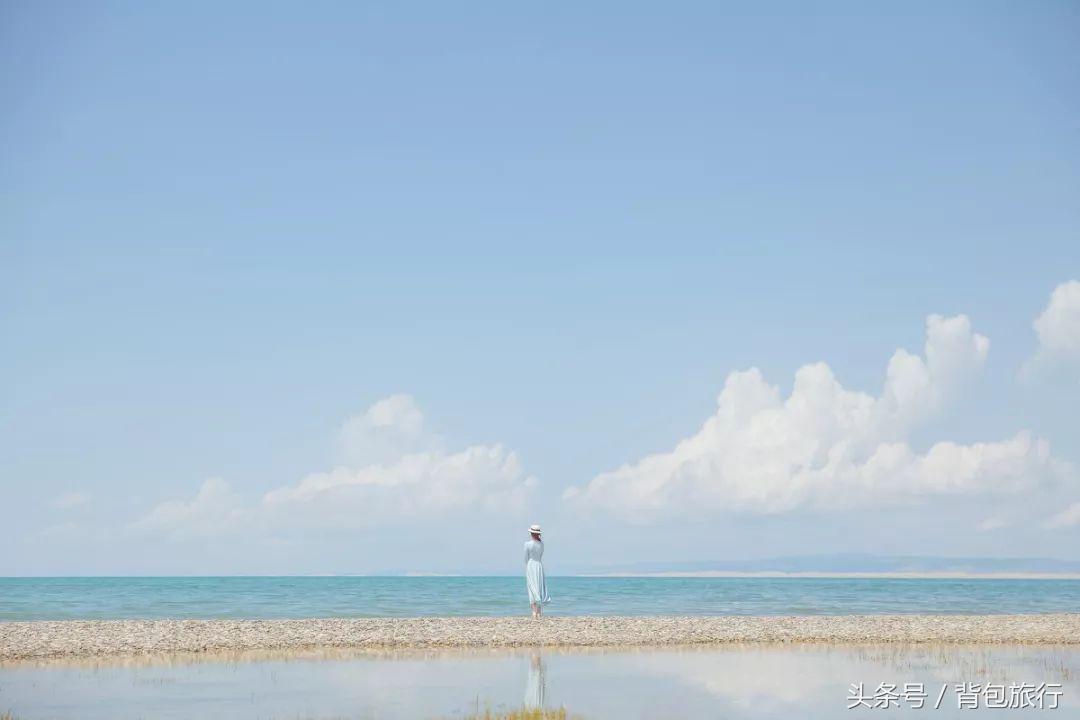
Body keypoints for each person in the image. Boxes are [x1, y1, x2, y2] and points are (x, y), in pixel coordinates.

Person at [524, 523, 550, 618]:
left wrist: (528, 566)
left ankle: (534, 612)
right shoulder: (541, 544)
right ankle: (539, 612)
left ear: (531, 533)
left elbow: (526, 558)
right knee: (539, 587)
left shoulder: (527, 544)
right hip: (539, 566)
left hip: (531, 565)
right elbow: (540, 556)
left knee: (531, 587)